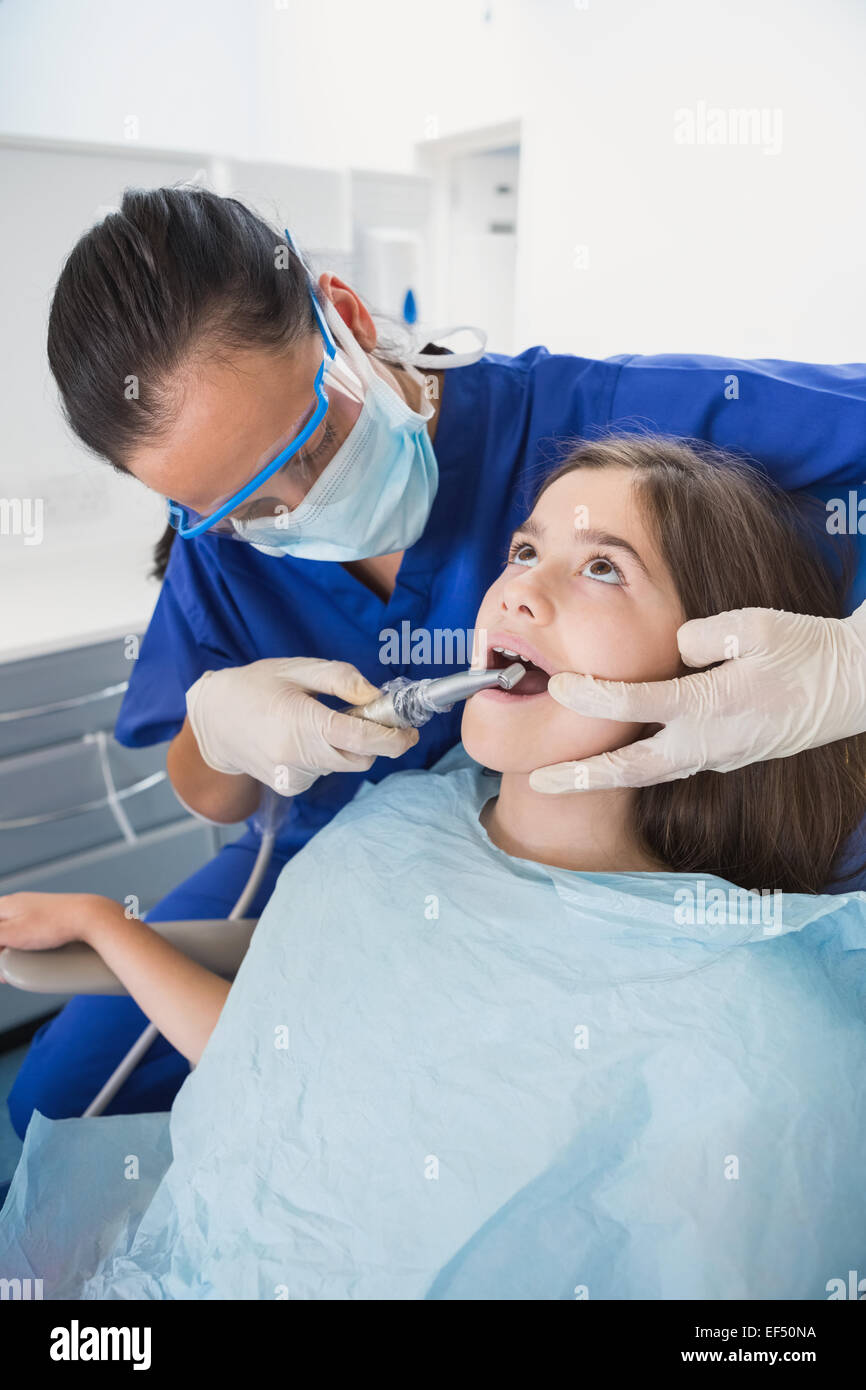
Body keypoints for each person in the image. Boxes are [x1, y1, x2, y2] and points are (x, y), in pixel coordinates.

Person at [9, 186, 866, 1137]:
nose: (297, 510)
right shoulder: (218, 547)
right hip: (349, 864)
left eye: (313, 441)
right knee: (53, 1106)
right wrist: (219, 725)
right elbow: (212, 798)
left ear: (345, 317)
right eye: (239, 509)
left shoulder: (613, 422)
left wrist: (852, 669)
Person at [1, 435, 864, 1299]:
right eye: (524, 550)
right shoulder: (393, 829)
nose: (520, 589)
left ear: (717, 672)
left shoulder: (749, 1016)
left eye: (604, 568)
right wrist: (104, 925)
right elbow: (269, 1077)